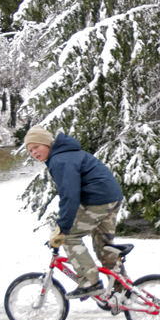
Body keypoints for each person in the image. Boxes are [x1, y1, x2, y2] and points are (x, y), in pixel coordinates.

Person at [24, 124, 124, 299]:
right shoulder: (66, 155)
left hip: (99, 200)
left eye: (36, 147)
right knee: (104, 247)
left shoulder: (60, 160)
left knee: (69, 237)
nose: (34, 153)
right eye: (30, 151)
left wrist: (63, 228)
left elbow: (70, 195)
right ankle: (122, 288)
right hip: (111, 198)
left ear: (47, 143)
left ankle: (90, 281)